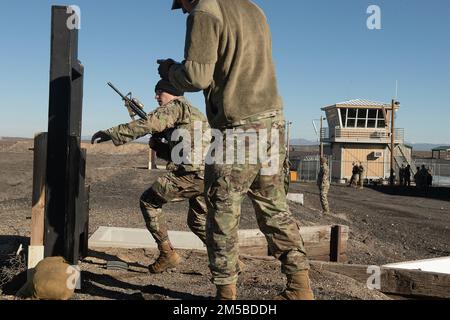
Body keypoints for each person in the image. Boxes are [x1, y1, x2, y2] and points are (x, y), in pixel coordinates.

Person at [158, 0, 314, 300]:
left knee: (222, 216)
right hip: (272, 127)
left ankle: (226, 295)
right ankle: (300, 288)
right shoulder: (254, 9)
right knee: (275, 211)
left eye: (183, 5)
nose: (186, 11)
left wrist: (170, 71)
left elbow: (196, 76)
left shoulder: (205, 10)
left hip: (237, 130)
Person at [91, 80, 211, 273]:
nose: (156, 97)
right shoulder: (193, 113)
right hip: (206, 175)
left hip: (191, 175)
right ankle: (229, 260)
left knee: (148, 201)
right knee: (197, 221)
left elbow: (146, 124)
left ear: (170, 92)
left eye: (159, 93)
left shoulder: (175, 107)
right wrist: (159, 146)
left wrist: (112, 134)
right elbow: (184, 152)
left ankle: (167, 254)